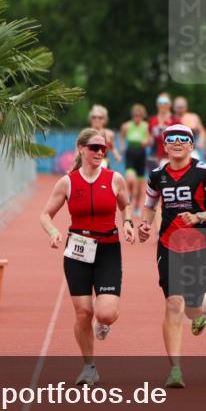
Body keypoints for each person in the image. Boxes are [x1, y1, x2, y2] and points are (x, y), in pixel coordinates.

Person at [39, 128, 135, 386]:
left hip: (108, 250)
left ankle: (104, 324)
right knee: (83, 313)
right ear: (81, 149)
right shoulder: (67, 182)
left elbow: (125, 205)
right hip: (78, 249)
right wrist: (53, 231)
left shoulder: (114, 178)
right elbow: (45, 214)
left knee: (104, 313)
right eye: (94, 147)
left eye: (103, 148)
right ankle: (89, 367)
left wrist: (127, 224)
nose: (99, 152)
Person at [138, 124, 206, 388]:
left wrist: (199, 216)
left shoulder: (204, 172)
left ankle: (201, 311)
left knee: (191, 308)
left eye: (183, 139)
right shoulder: (157, 175)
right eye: (171, 139)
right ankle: (175, 369)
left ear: (191, 145)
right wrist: (144, 225)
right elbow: (149, 207)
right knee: (173, 304)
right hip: (168, 244)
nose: (177, 143)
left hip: (199, 245)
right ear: (164, 146)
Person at [119, 103, 151, 218]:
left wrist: (146, 142)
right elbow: (122, 136)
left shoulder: (146, 126)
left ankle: (137, 207)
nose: (137, 117)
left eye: (139, 115)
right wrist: (122, 145)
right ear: (132, 115)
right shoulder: (127, 126)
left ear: (142, 116)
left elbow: (150, 140)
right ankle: (131, 195)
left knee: (140, 184)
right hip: (130, 153)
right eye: (135, 115)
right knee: (130, 179)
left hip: (141, 155)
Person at [148, 93, 180, 172]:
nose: (162, 105)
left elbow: (180, 141)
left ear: (170, 104)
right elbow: (150, 139)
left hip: (170, 158)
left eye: (165, 102)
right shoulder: (152, 120)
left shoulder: (175, 120)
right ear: (157, 104)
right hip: (155, 157)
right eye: (160, 102)